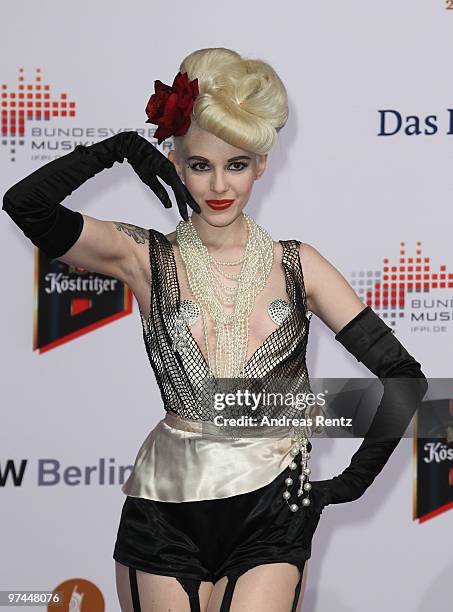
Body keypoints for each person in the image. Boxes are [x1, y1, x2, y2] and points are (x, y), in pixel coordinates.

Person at [2, 47, 427, 612]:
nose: (219, 185)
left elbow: (403, 377)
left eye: (237, 164)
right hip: (163, 510)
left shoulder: (298, 264)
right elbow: (24, 204)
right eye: (200, 165)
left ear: (261, 167)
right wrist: (119, 148)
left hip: (271, 512)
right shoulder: (143, 256)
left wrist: (347, 484)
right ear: (176, 165)